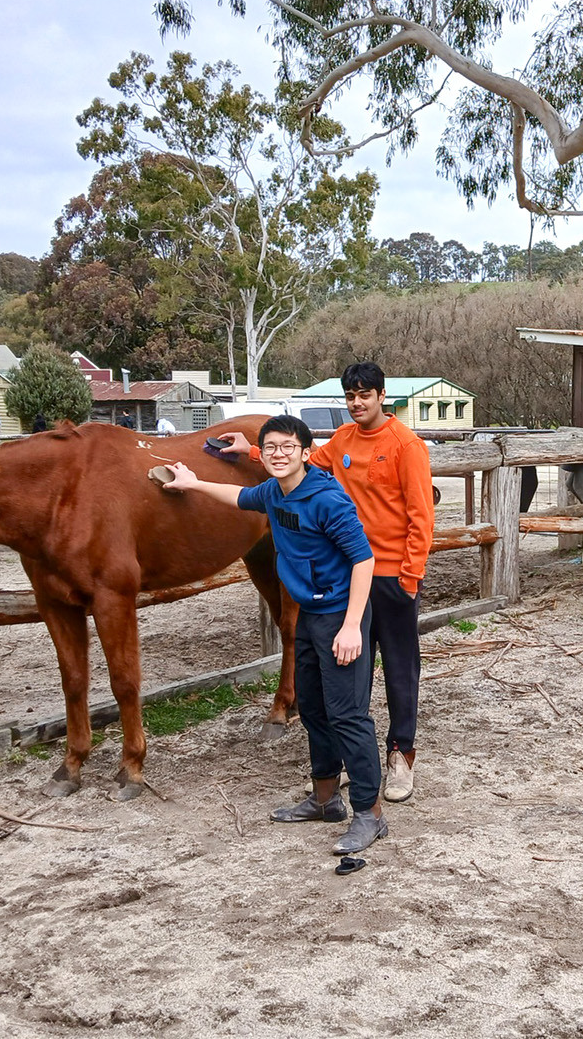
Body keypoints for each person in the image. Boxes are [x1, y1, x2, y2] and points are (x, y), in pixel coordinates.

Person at [162, 415, 387, 854]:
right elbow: (239, 495)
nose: (278, 454)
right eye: (270, 448)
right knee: (315, 711)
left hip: (341, 615)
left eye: (287, 447)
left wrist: (351, 628)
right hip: (307, 618)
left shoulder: (327, 500)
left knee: (348, 715)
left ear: (305, 453)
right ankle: (325, 800)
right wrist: (193, 483)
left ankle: (369, 813)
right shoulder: (273, 491)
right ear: (262, 454)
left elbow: (363, 561)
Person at [299, 361, 434, 803]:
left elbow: (421, 516)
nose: (357, 403)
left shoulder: (406, 445)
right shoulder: (341, 440)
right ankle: (346, 759)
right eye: (350, 396)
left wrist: (409, 578)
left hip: (392, 577)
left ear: (381, 395)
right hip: (347, 577)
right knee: (346, 671)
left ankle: (401, 756)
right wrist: (254, 451)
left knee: (398, 669)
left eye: (364, 395)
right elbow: (299, 463)